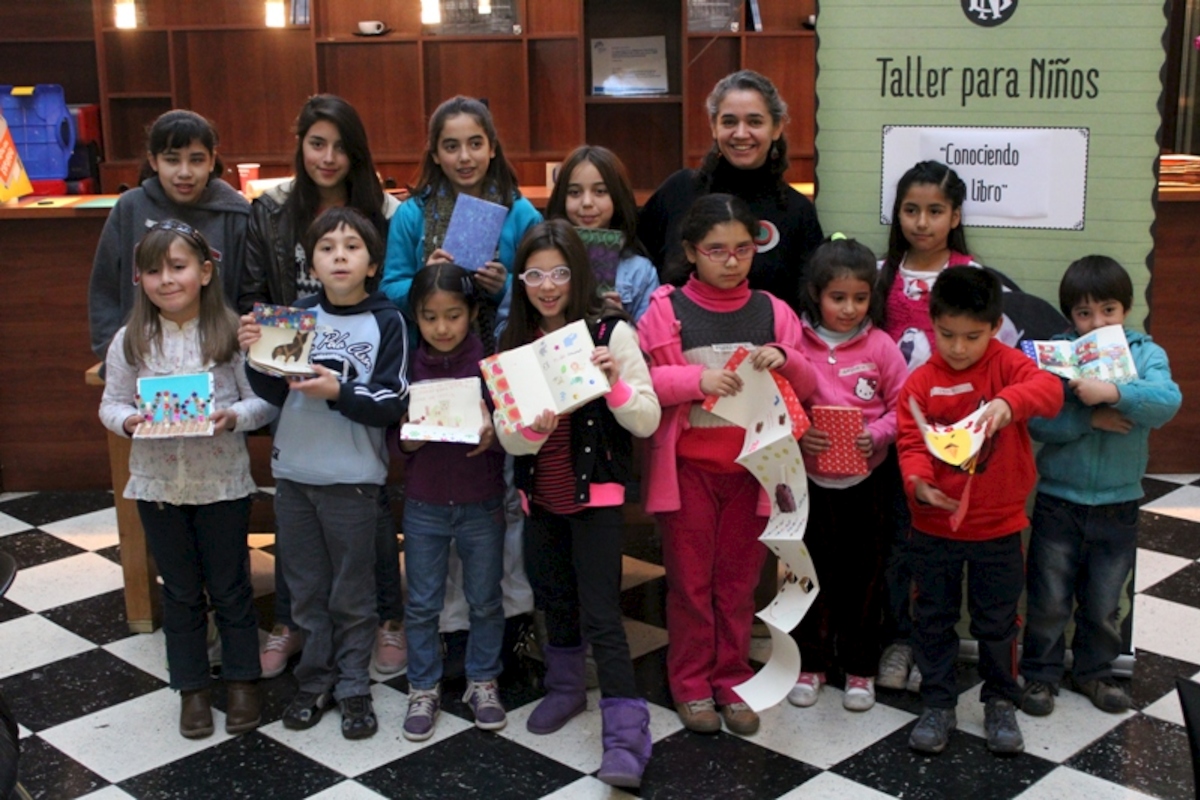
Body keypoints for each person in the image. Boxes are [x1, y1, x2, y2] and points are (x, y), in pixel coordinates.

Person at [237, 94, 407, 680]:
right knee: (302, 527)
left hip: (357, 392)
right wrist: (260, 338)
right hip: (292, 379)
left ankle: (384, 623)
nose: (328, 157)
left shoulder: (383, 209)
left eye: (340, 146)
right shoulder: (273, 205)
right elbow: (255, 288)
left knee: (367, 511)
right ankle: (295, 629)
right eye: (316, 144)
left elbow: (395, 296)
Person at [638, 194, 817, 737]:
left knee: (738, 584)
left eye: (743, 249)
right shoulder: (665, 311)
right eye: (717, 250)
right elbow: (639, 385)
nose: (732, 261)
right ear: (692, 251)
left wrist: (787, 361)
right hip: (689, 472)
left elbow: (809, 385)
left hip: (755, 476)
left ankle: (732, 680)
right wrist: (696, 382)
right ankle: (691, 684)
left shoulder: (772, 310)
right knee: (691, 584)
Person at [495, 220, 660, 789]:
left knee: (601, 611)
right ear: (521, 280)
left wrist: (613, 385)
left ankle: (626, 731)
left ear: (578, 273)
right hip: (543, 496)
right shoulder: (514, 344)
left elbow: (647, 416)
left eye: (559, 272)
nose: (547, 285)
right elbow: (509, 436)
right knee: (553, 597)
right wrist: (533, 430)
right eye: (535, 274)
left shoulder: (610, 333)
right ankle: (565, 689)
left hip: (598, 495)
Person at [99, 221, 275, 738]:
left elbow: (263, 400)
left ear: (204, 271)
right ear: (140, 279)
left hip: (221, 483)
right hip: (156, 486)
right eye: (152, 271)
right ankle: (191, 689)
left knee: (230, 585)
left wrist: (233, 416)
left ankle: (242, 681)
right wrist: (128, 421)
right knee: (179, 591)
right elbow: (111, 403)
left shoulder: (231, 332)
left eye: (177, 267)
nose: (165, 280)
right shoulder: (130, 340)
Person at [895, 267, 1063, 756]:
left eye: (972, 336)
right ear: (932, 325)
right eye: (947, 335)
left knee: (997, 623)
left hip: (1000, 527)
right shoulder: (920, 382)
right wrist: (917, 481)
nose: (959, 347)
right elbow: (911, 442)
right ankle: (938, 703)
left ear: (994, 327)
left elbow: (1049, 393)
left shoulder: (1008, 365)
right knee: (933, 618)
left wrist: (1010, 404)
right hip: (934, 527)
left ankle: (1000, 702)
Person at [1020, 256, 1181, 716]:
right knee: (1049, 596)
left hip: (1119, 501)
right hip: (1059, 499)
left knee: (1105, 600)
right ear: (1070, 316)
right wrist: (1089, 418)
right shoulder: (1056, 355)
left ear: (1126, 309)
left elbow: (1167, 402)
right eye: (1084, 313)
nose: (1097, 322)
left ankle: (1095, 673)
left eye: (1108, 310)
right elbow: (1038, 422)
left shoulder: (1146, 354)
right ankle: (1040, 675)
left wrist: (1114, 394)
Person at [787, 235, 908, 713]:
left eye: (861, 298)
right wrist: (800, 433)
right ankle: (811, 664)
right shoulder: (795, 340)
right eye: (838, 298)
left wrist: (877, 435)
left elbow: (904, 408)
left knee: (865, 578)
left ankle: (860, 669)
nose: (850, 308)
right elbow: (777, 400)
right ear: (816, 294)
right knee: (808, 576)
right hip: (809, 485)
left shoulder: (881, 346)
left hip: (867, 485)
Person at [395, 263, 508, 741]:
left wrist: (495, 433)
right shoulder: (405, 367)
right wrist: (408, 441)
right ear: (416, 318)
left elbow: (514, 427)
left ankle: (483, 679)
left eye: (454, 316)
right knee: (421, 604)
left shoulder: (491, 365)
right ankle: (423, 686)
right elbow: (392, 438)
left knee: (485, 600)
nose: (442, 328)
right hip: (423, 505)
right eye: (430, 317)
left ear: (472, 313)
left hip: (481, 501)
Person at [637, 70, 823, 311]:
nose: (741, 133)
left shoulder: (797, 212)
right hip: (673, 344)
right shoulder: (677, 192)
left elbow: (807, 306)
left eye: (755, 122)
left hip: (765, 347)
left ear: (776, 128)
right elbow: (635, 263)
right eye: (729, 121)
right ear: (713, 127)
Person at [381, 95, 542, 351]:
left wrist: (505, 285)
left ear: (492, 148)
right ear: (435, 154)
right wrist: (425, 281)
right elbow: (389, 289)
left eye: (475, 144)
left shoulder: (521, 213)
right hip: (427, 357)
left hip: (506, 351)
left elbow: (543, 283)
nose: (464, 157)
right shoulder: (411, 214)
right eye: (451, 147)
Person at [90, 109, 249, 363]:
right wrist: (113, 353)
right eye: (172, 160)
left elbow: (248, 294)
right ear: (153, 161)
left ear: (211, 160)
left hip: (218, 360)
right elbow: (104, 288)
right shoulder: (130, 208)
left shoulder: (235, 215)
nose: (184, 172)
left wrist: (235, 355)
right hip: (141, 360)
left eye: (196, 160)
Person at [545, 145, 658, 321]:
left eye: (600, 191)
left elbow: (650, 342)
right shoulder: (540, 258)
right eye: (575, 192)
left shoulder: (639, 272)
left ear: (617, 196)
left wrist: (620, 322)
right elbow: (505, 328)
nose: (587, 202)